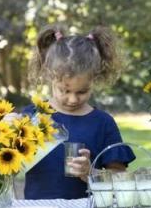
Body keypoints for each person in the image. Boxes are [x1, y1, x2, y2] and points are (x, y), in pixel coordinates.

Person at [21, 24, 136, 200]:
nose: (73, 99)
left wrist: (91, 172)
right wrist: (6, 131)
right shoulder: (32, 116)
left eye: (82, 91)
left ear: (94, 80)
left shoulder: (103, 123)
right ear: (49, 76)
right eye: (64, 90)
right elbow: (1, 165)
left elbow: (120, 177)